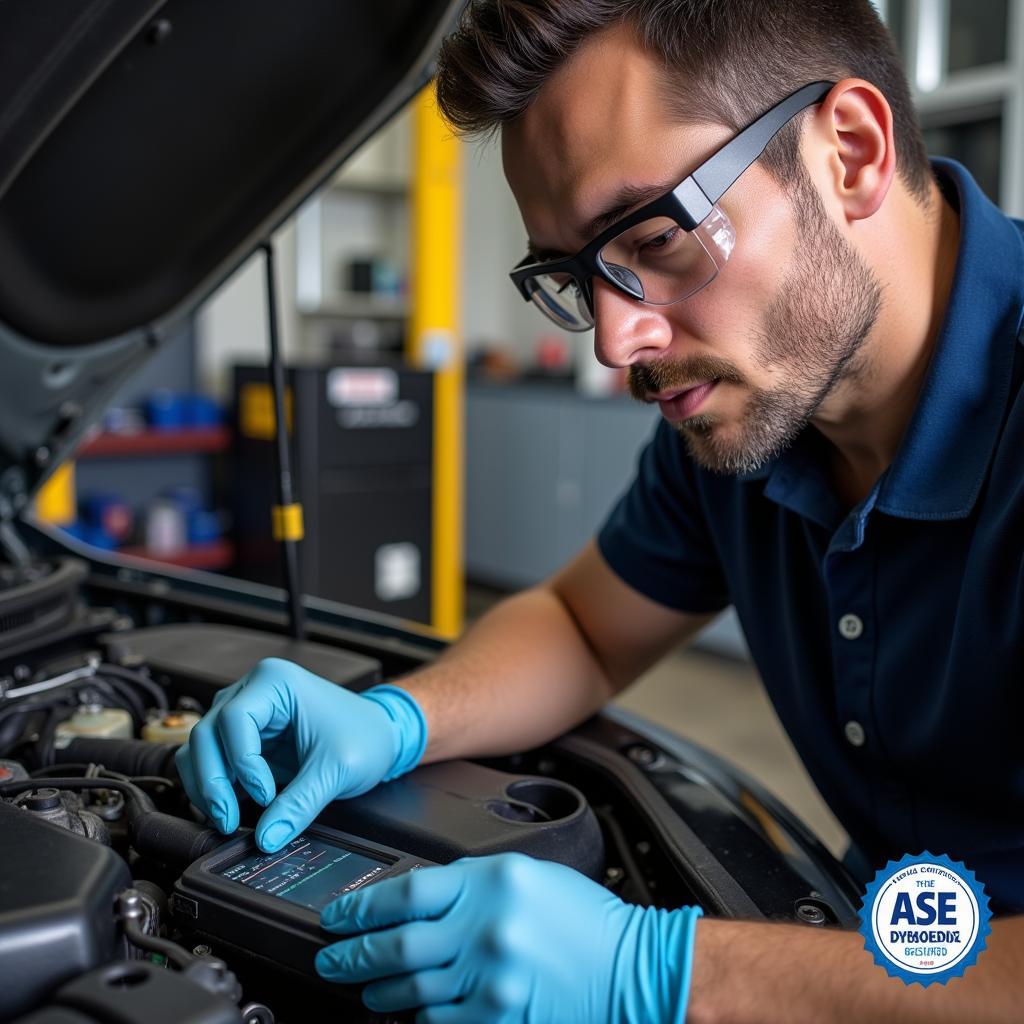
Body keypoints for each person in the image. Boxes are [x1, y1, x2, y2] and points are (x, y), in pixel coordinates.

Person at [177, 1, 1024, 1020]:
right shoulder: (749, 413)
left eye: (656, 236)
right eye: (577, 277)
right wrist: (399, 719)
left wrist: (663, 971)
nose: (615, 344)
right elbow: (584, 625)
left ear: (848, 151)